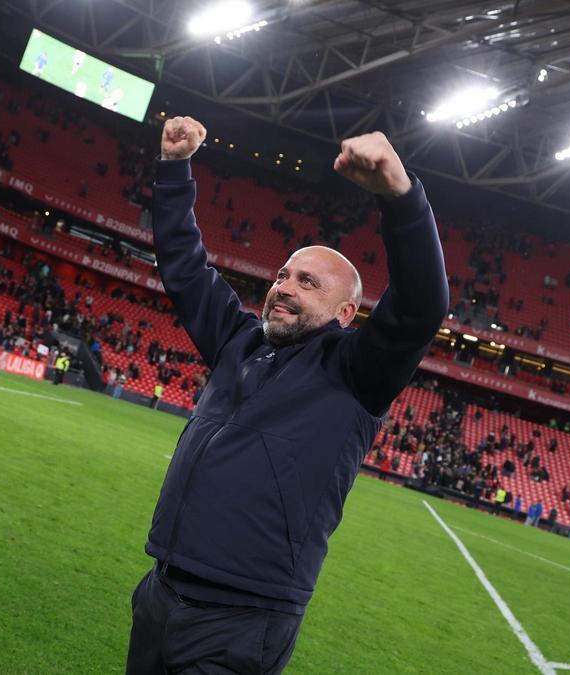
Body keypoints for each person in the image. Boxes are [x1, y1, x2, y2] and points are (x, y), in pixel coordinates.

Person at [127, 117, 447, 674]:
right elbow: (184, 268)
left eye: (308, 282)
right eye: (283, 274)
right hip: (161, 592)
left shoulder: (356, 371)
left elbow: (421, 307)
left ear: (346, 314)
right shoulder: (239, 341)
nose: (284, 287)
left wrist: (401, 198)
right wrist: (175, 170)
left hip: (241, 620)